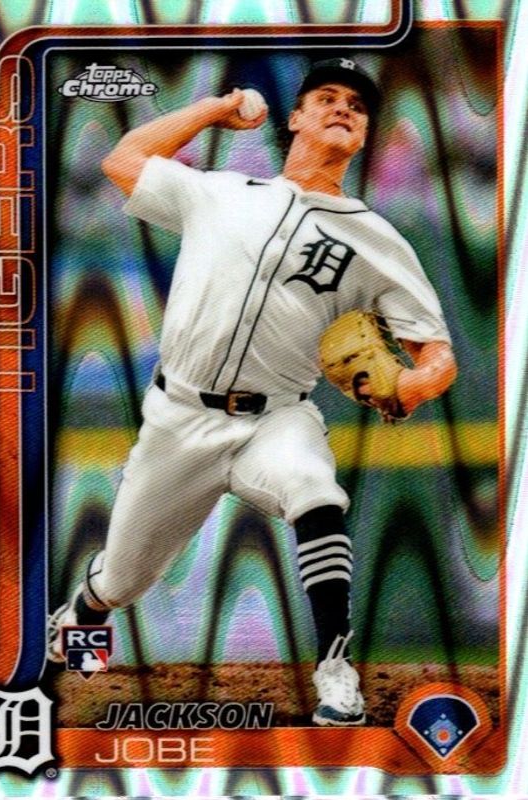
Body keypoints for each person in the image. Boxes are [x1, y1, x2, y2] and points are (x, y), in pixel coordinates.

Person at [48, 57, 457, 727]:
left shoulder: (378, 241)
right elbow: (122, 160)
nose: (342, 108)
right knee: (124, 578)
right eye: (325, 97)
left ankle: (335, 670)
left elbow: (435, 352)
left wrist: (416, 383)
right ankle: (85, 612)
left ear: (363, 136)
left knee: (314, 491)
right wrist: (214, 108)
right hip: (179, 416)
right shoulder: (221, 193)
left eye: (356, 105)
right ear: (294, 117)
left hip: (278, 417)